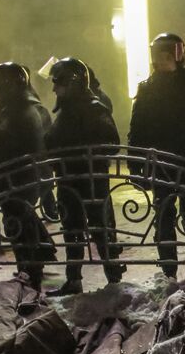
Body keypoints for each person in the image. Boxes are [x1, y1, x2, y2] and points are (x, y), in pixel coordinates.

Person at [128, 32, 185, 279]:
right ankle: (168, 271)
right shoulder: (147, 90)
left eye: (169, 56)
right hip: (161, 165)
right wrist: (136, 167)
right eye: (161, 57)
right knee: (164, 217)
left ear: (178, 56)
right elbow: (137, 131)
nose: (165, 62)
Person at [44, 56, 125, 294]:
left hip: (90, 181)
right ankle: (74, 278)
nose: (54, 88)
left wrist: (84, 154)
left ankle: (114, 277)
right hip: (69, 180)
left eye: (59, 82)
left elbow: (111, 142)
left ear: (74, 82)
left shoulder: (93, 109)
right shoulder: (67, 110)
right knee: (72, 229)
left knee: (101, 229)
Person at [0, 62, 52, 284]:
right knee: (17, 221)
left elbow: (15, 145)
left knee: (19, 223)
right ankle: (31, 263)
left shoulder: (21, 111)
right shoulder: (10, 108)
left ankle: (31, 269)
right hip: (12, 178)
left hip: (19, 177)